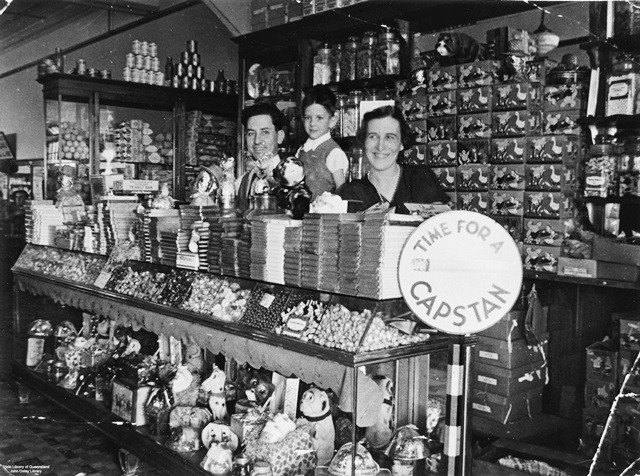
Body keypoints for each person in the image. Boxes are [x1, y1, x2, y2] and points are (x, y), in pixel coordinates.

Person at [338, 105, 450, 212]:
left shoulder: (420, 178)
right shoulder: (350, 193)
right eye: (373, 136)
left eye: (389, 137)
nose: (380, 146)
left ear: (401, 143)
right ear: (364, 142)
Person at [296, 86, 348, 199]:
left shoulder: (333, 153)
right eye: (308, 118)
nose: (312, 123)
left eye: (319, 118)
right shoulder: (301, 151)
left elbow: (342, 191)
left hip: (324, 213)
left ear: (332, 121)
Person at [236, 103, 286, 212]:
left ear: (280, 136)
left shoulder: (292, 176)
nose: (257, 141)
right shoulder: (241, 183)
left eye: (265, 132)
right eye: (251, 134)